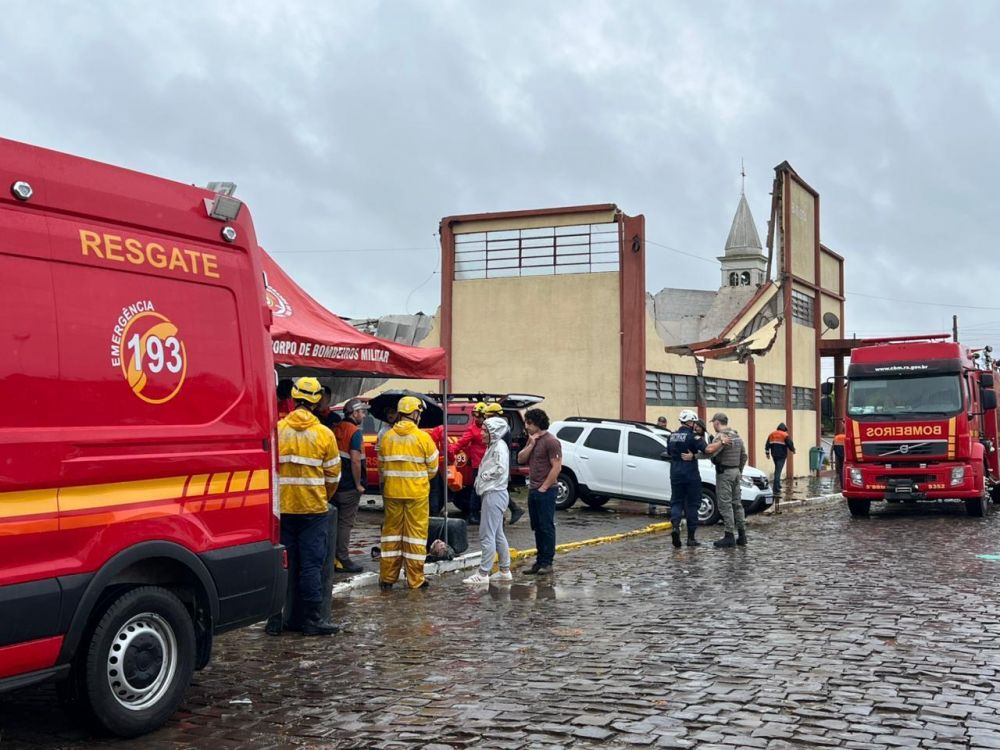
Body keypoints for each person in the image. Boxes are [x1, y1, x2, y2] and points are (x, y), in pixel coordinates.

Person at [266, 377, 341, 637]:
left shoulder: (278, 429)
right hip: (313, 510)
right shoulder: (324, 434)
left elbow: (270, 470)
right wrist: (323, 497)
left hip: (283, 509)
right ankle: (312, 620)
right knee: (311, 565)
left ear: (295, 397)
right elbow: (333, 477)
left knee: (282, 565)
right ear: (316, 400)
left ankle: (275, 620)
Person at [378, 396, 440, 590]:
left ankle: (387, 578)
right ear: (414, 414)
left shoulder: (387, 437)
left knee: (391, 535)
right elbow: (433, 469)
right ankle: (415, 580)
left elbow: (381, 466)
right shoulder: (423, 438)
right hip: (416, 494)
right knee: (415, 537)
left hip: (392, 493)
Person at [464, 416, 514, 585]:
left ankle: (483, 573)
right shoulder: (495, 446)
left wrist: (485, 476)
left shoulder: (498, 448)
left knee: (487, 534)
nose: (482, 433)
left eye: (485, 430)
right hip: (494, 493)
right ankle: (504, 570)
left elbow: (499, 469)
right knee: (497, 534)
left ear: (494, 432)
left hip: (494, 493)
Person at [666, 409, 723, 549]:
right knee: (692, 504)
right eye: (694, 422)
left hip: (675, 473)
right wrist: (721, 442)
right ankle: (691, 538)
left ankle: (675, 528)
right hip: (690, 474)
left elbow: (668, 452)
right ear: (690, 422)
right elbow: (708, 450)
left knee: (676, 502)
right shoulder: (694, 437)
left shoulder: (671, 436)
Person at [517, 408, 562, 575]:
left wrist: (544, 487)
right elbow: (521, 458)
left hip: (547, 490)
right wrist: (530, 444)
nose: (526, 427)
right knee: (536, 526)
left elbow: (557, 467)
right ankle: (539, 560)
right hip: (533, 489)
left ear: (537, 423)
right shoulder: (533, 440)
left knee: (546, 526)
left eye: (529, 423)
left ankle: (547, 562)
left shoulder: (551, 441)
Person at [330, 398, 368, 574]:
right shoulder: (355, 432)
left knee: (335, 522)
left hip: (334, 484)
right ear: (354, 413)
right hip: (348, 486)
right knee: (345, 523)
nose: (364, 415)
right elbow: (355, 460)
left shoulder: (335, 428)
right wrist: (359, 484)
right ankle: (343, 558)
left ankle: (333, 557)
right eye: (362, 412)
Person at [707, 413, 748, 548]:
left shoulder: (720, 437)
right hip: (736, 471)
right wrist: (739, 470)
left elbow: (712, 453)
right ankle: (742, 535)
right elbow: (744, 455)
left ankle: (729, 535)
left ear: (718, 423)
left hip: (724, 473)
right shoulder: (737, 436)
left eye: (713, 422)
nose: (713, 425)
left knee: (725, 504)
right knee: (737, 504)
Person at [483, 402, 524, 525]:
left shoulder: (500, 428)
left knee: (499, 489)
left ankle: (507, 512)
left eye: (488, 416)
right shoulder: (503, 427)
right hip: (502, 463)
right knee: (501, 488)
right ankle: (513, 509)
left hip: (500, 463)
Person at [450, 402, 488, 524]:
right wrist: (451, 452)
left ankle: (514, 508)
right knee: (477, 489)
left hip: (489, 462)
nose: (476, 418)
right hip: (478, 464)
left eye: (478, 415)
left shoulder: (489, 427)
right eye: (474, 415)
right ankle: (473, 514)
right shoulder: (473, 429)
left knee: (488, 489)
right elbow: (461, 442)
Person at [765, 422, 796, 496]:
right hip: (781, 456)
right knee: (778, 471)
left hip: (774, 455)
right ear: (784, 429)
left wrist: (767, 453)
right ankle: (776, 489)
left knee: (777, 469)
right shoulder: (785, 435)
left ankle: (778, 485)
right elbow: (790, 444)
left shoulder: (772, 434)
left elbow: (767, 444)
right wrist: (793, 450)